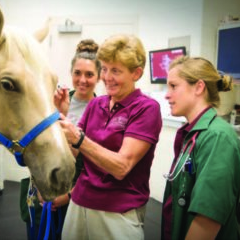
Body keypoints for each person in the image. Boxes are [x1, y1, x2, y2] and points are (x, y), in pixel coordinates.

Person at [58, 34, 162, 240]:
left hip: (118, 211)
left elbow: (121, 167)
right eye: (104, 69)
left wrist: (79, 139)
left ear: (136, 73)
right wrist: (61, 115)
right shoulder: (97, 104)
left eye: (116, 70)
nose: (107, 77)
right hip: (80, 203)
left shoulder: (146, 108)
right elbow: (72, 153)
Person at [19, 39, 101, 240]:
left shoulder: (102, 111)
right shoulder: (54, 101)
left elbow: (96, 165)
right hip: (42, 190)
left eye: (89, 74)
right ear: (71, 73)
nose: (82, 80)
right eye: (77, 73)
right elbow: (38, 148)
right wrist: (41, 187)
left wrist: (70, 195)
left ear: (99, 76)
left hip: (78, 197)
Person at [161, 56, 240, 240]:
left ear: (199, 87)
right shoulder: (192, 134)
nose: (167, 94)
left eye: (173, 86)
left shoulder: (218, 137)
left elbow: (207, 219)